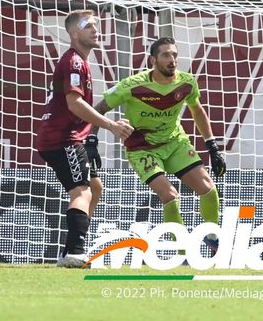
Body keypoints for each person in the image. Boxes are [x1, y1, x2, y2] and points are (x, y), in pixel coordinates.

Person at [91, 37, 225, 252]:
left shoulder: (187, 82)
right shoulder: (132, 85)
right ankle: (182, 254)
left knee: (208, 189)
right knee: (170, 196)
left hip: (175, 143)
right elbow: (98, 110)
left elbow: (197, 111)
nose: (172, 60)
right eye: (165, 55)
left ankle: (213, 240)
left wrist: (212, 146)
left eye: (174, 55)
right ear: (153, 60)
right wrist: (91, 141)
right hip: (142, 149)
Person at [35, 9, 133, 268]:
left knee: (94, 188)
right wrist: (111, 125)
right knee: (82, 191)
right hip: (63, 138)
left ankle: (72, 248)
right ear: (74, 33)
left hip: (68, 136)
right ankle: (74, 252)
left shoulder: (79, 61)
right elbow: (74, 103)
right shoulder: (74, 62)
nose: (95, 29)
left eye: (96, 25)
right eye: (89, 25)